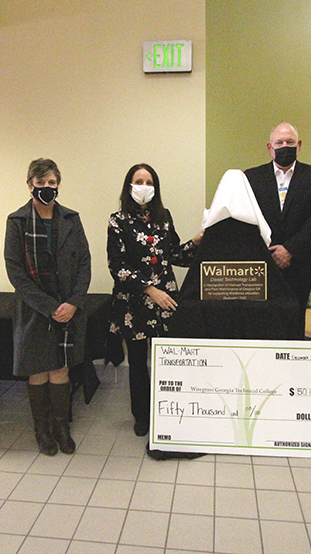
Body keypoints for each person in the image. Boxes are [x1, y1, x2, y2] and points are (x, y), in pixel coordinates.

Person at [107, 164, 202, 436]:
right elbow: (118, 266)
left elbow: (175, 255)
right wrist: (150, 289)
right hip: (134, 303)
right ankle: (142, 416)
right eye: (139, 181)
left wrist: (196, 242)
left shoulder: (164, 217)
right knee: (137, 362)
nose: (144, 185)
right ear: (129, 186)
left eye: (149, 181)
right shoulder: (117, 221)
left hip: (166, 303)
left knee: (167, 361)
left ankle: (167, 410)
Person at [5, 159, 91, 456]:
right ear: (30, 185)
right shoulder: (16, 221)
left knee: (61, 370)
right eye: (40, 184)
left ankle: (61, 426)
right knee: (38, 371)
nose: (45, 189)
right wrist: (50, 307)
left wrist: (74, 302)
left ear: (58, 184)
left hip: (68, 307)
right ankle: (41, 429)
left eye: (51, 183)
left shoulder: (71, 219)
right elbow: (15, 271)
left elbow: (84, 263)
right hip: (34, 310)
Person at [244, 122, 311, 322]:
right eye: (279, 142)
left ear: (299, 145)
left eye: (290, 142)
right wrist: (270, 252)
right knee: (262, 321)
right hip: (263, 263)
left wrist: (289, 249)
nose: (285, 146)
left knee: (295, 321)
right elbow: (247, 218)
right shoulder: (251, 177)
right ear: (269, 147)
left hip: (301, 263)